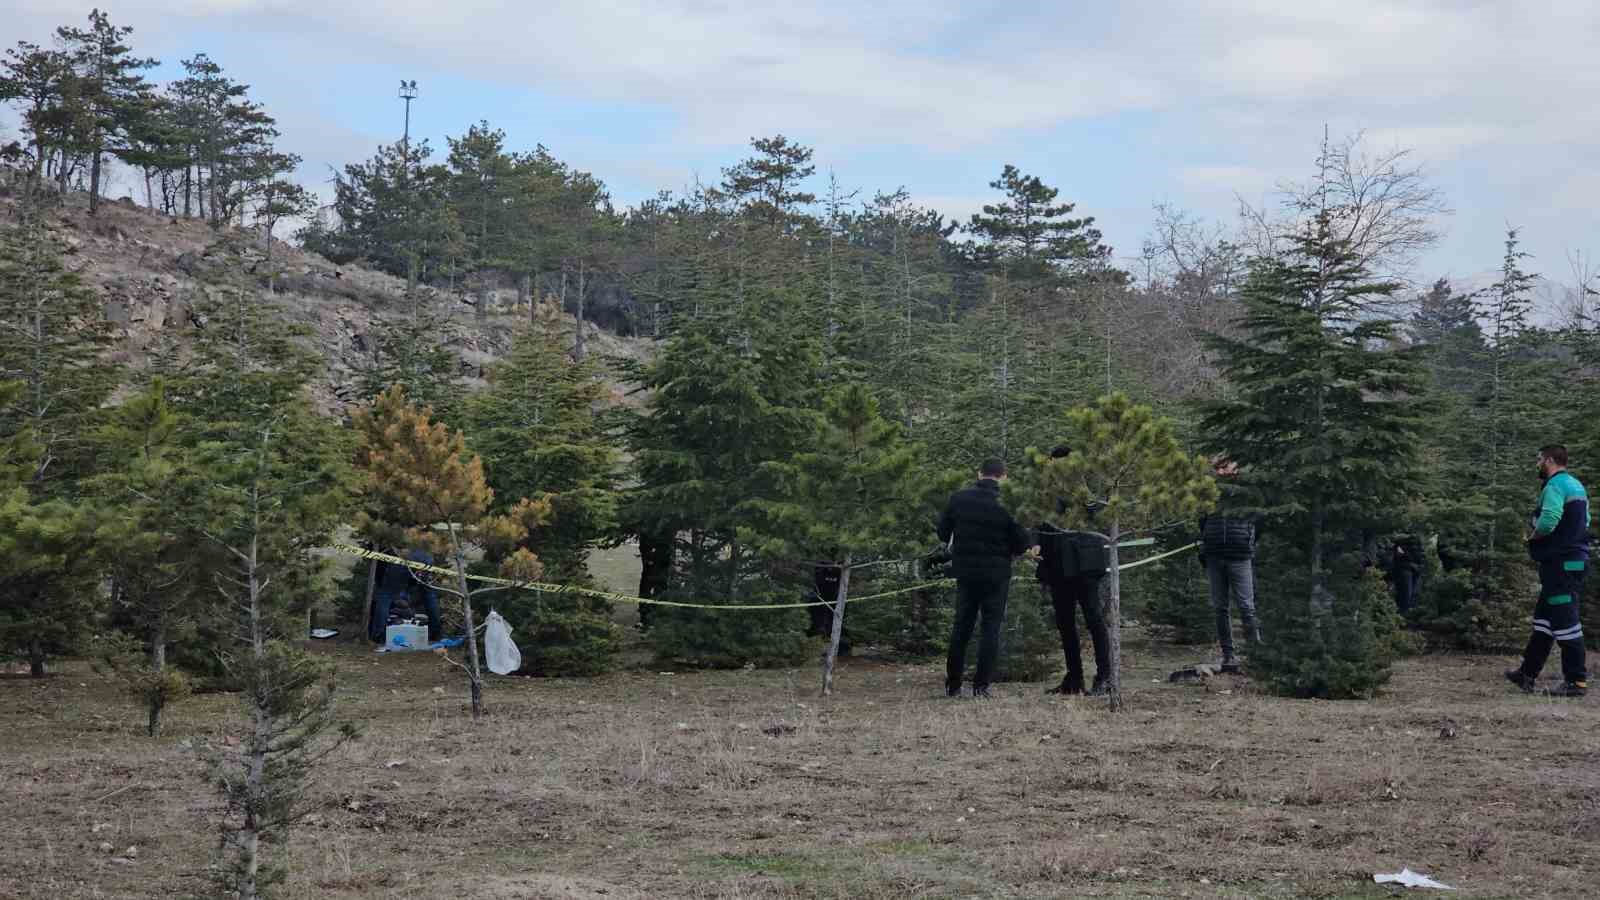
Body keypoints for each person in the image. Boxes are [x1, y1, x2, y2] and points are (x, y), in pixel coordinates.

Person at [938, 458, 1036, 698]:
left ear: (979, 473)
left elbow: (942, 532)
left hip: (966, 572)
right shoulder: (1009, 503)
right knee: (990, 629)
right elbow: (1022, 542)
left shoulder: (959, 498)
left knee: (961, 627)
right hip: (996, 573)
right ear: (1004, 476)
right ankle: (981, 687)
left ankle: (953, 685)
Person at [1506, 445, 1590, 697]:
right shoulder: (1576, 485)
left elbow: (1550, 518)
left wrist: (1533, 537)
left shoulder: (1555, 485)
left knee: (1566, 620)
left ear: (1550, 460)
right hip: (1573, 562)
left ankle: (1576, 682)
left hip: (1561, 564)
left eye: (1539, 459)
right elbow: (1585, 521)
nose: (1537, 464)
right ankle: (1526, 674)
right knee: (1544, 621)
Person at [1037, 445, 1111, 696]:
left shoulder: (1087, 484)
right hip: (1057, 566)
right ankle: (1074, 678)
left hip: (1085, 565)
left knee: (1094, 620)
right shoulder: (1046, 489)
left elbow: (1098, 510)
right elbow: (1040, 523)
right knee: (1065, 624)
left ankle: (1105, 677)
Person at [1198, 460, 1259, 673]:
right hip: (1214, 557)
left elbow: (1258, 521)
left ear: (1237, 468)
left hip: (1240, 556)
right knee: (1220, 607)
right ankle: (1228, 655)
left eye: (1226, 467)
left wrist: (1247, 542)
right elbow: (1202, 521)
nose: (1221, 471)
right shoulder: (1208, 493)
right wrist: (1205, 545)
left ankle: (1255, 656)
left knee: (1246, 606)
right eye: (1218, 468)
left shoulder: (1246, 492)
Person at [1386, 533, 1424, 614]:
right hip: (1405, 569)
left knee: (1413, 594)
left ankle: (1407, 616)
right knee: (1406, 595)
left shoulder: (1416, 541)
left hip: (1414, 569)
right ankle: (1402, 616)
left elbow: (1421, 555)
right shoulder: (1399, 542)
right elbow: (1398, 555)